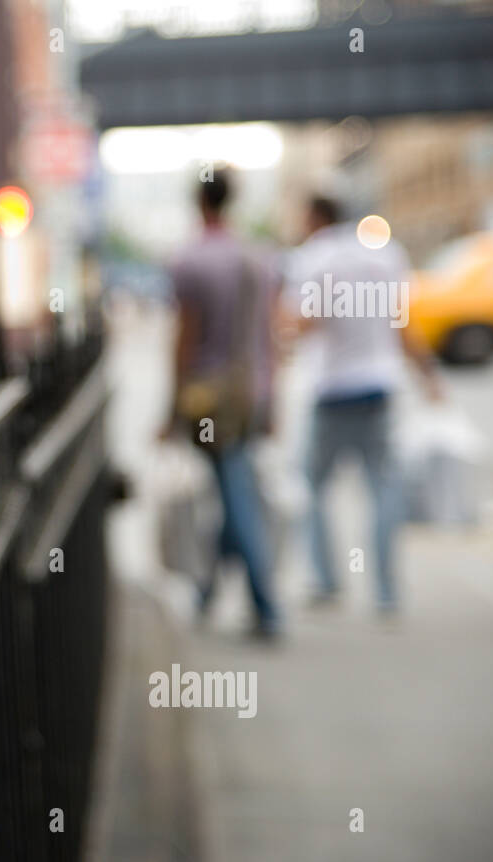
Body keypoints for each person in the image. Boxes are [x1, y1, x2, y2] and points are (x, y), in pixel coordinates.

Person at [280, 195, 443, 614]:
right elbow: (401, 322)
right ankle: (386, 592)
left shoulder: (313, 257)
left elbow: (300, 323)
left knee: (313, 487)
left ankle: (326, 580)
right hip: (380, 386)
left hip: (332, 389)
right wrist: (429, 375)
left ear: (315, 216)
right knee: (383, 488)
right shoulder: (385, 254)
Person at [164, 167, 282, 639]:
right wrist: (275, 404)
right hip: (252, 392)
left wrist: (168, 409)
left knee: (234, 496)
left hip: (208, 399)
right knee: (234, 489)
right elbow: (271, 340)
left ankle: (266, 605)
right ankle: (208, 591)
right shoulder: (259, 257)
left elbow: (183, 343)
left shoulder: (189, 260)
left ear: (199, 203)